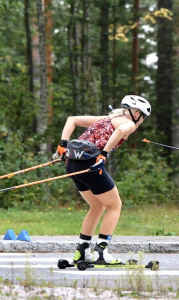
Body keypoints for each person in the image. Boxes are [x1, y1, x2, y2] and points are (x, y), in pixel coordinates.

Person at [53, 95, 151, 265]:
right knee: (114, 205)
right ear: (135, 114)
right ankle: (101, 252)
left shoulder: (106, 119)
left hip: (72, 163)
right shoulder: (129, 124)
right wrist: (103, 154)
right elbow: (120, 131)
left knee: (97, 205)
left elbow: (72, 120)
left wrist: (63, 144)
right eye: (142, 116)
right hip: (91, 164)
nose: (141, 121)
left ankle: (82, 251)